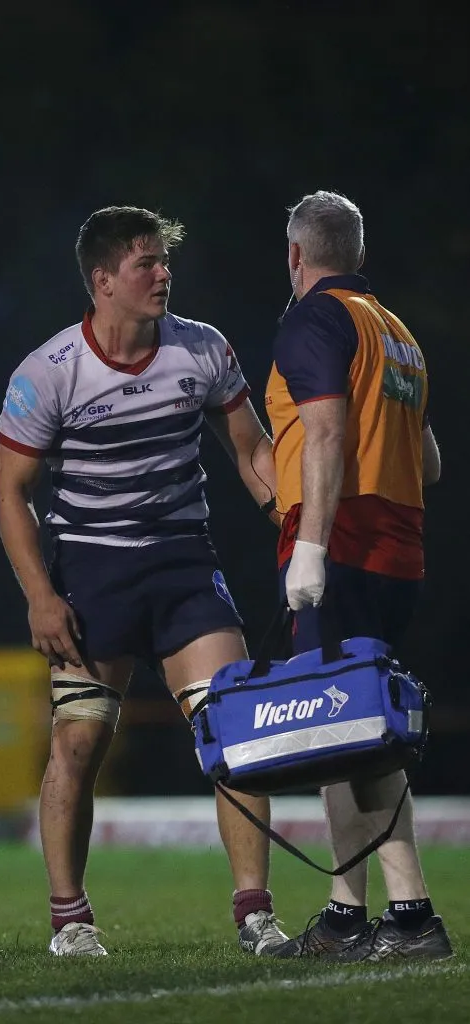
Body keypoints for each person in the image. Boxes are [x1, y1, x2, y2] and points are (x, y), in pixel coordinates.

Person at [0, 205, 288, 957]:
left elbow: (248, 447)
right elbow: (11, 492)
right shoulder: (48, 372)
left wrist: (289, 516)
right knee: (79, 741)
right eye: (144, 264)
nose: (163, 274)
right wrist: (40, 595)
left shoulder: (202, 348)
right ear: (101, 282)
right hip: (91, 572)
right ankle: (71, 920)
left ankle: (255, 913)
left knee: (237, 733)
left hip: (183, 565)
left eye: (164, 262)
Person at [264, 190, 452, 962]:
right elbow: (431, 462)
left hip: (337, 544)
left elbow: (328, 432)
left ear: (295, 257)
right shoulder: (398, 333)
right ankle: (349, 915)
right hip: (396, 547)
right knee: (345, 731)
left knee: (352, 734)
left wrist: (308, 545)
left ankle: (409, 916)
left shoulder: (313, 317)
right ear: (360, 255)